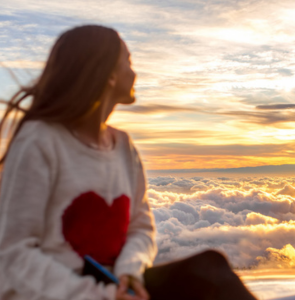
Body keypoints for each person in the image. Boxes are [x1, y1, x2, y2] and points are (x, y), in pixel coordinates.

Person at [0, 25, 257, 300]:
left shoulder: (123, 147)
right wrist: (98, 296)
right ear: (110, 75)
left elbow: (141, 227)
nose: (134, 73)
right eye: (129, 62)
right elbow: (13, 254)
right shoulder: (39, 141)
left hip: (117, 287)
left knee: (209, 268)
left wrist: (129, 271)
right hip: (60, 293)